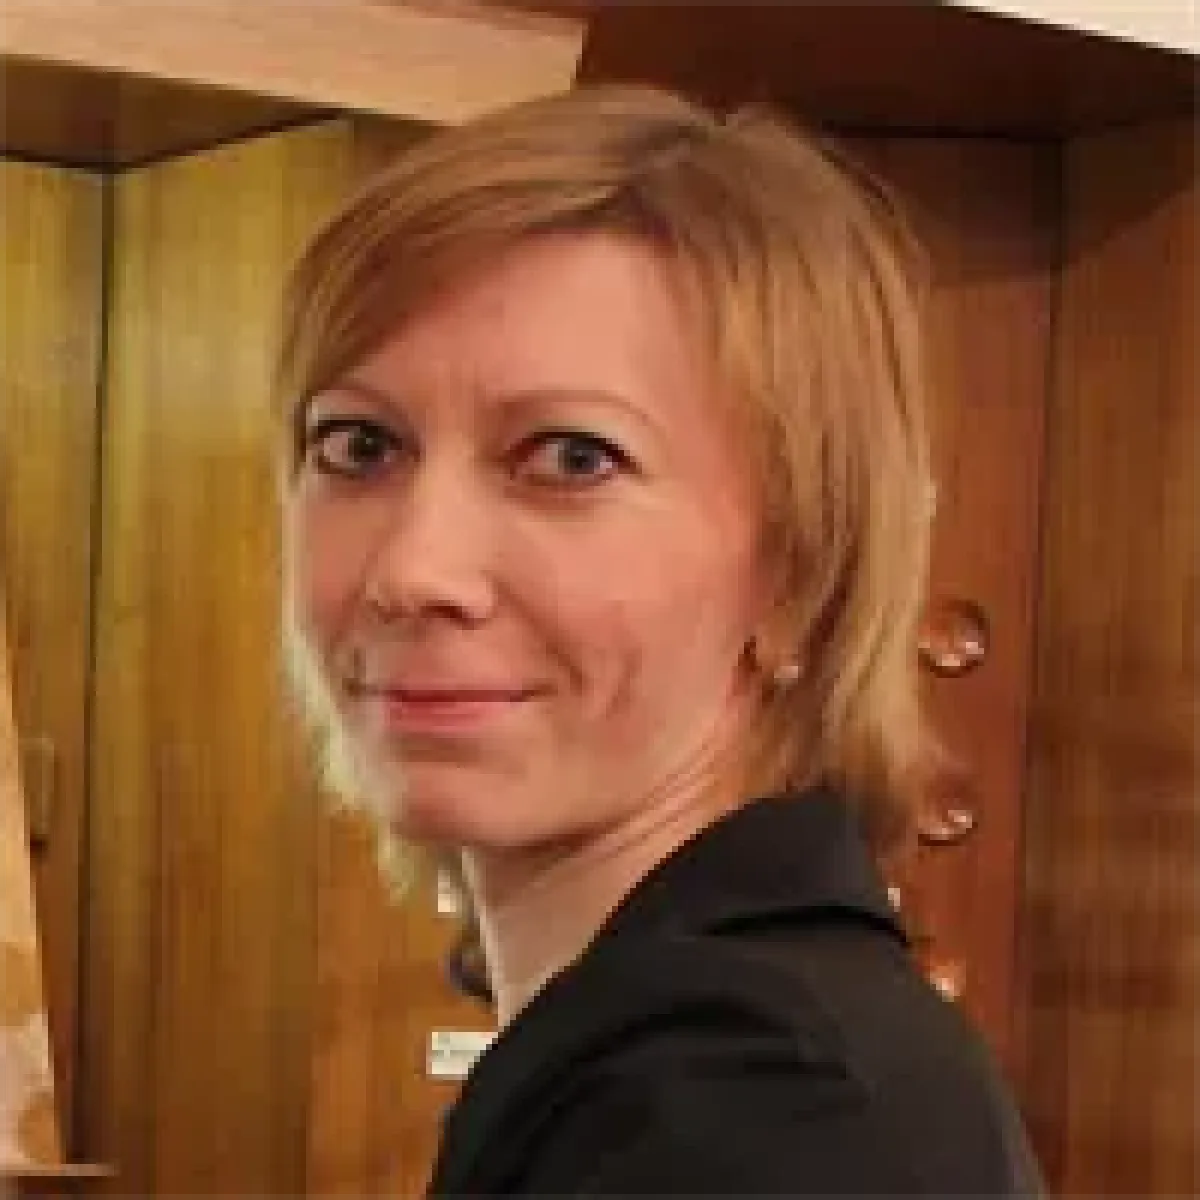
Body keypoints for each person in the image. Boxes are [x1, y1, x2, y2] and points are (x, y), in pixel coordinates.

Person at [277, 85, 1046, 1198]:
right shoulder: (670, 1051)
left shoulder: (764, 1109)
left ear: (798, 574)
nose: (413, 571)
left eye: (571, 459)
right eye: (359, 446)